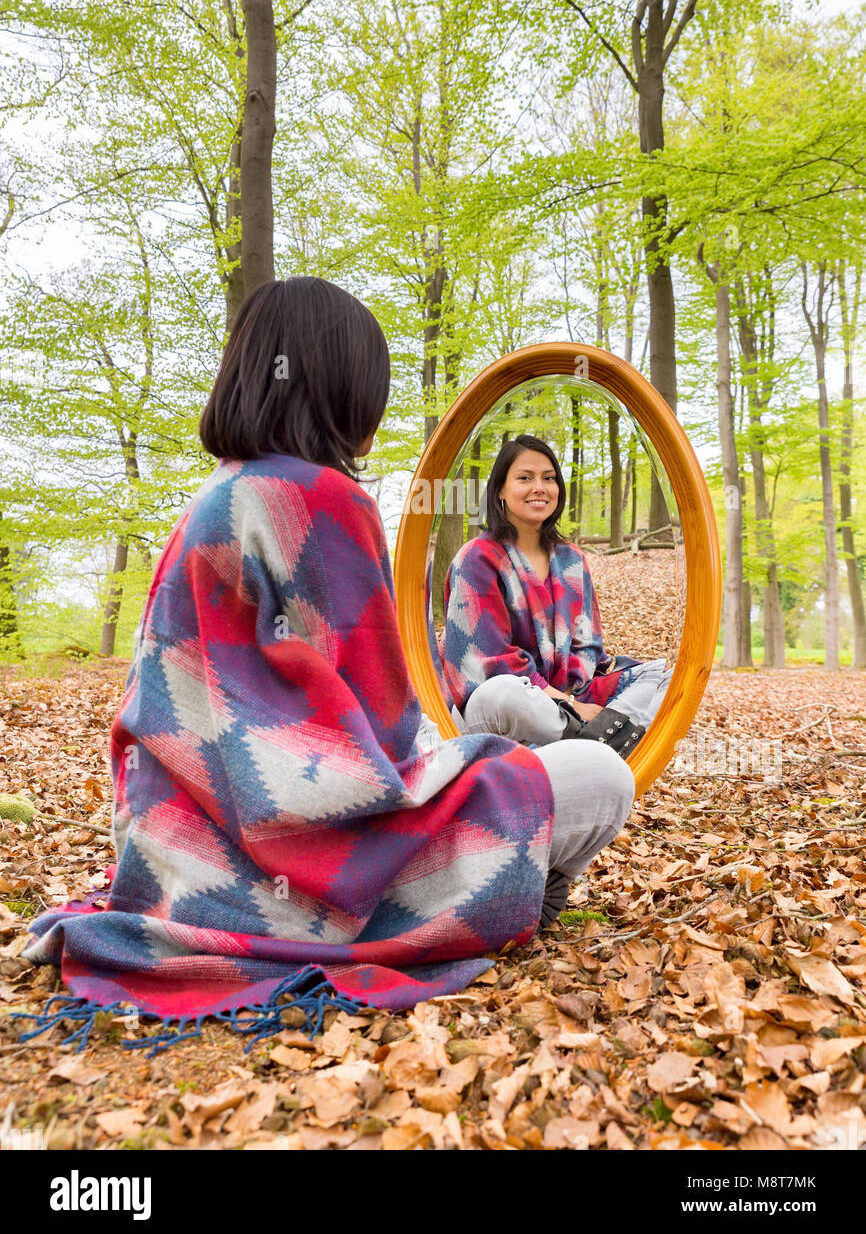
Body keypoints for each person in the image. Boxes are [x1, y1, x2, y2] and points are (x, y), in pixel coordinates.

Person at [21, 282, 633, 1052]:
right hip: (303, 858)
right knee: (601, 779)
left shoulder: (214, 498)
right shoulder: (327, 503)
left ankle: (495, 878)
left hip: (170, 852)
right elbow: (383, 731)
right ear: (343, 389)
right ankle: (487, 898)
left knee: (515, 742)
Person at [442, 433, 673, 748]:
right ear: (500, 491)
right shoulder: (477, 557)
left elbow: (588, 646)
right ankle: (601, 738)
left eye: (548, 478)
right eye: (525, 478)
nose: (540, 487)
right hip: (506, 704)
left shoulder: (571, 560)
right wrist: (570, 706)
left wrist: (574, 694)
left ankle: (591, 741)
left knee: (663, 681)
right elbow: (487, 659)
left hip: (567, 698)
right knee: (506, 693)